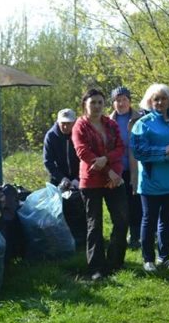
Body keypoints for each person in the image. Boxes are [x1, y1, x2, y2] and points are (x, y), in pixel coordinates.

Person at [73, 89, 129, 280]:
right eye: (92, 103)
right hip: (91, 182)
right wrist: (108, 169)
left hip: (114, 179)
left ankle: (115, 262)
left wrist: (110, 165)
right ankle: (96, 267)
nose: (96, 106)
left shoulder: (110, 124)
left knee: (122, 219)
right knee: (94, 224)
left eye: (99, 102)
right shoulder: (80, 126)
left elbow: (120, 148)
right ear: (85, 105)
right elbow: (84, 153)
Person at [130, 84, 169, 272]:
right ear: (149, 102)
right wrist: (163, 151)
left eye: (163, 98)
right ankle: (148, 259)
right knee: (149, 220)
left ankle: (165, 257)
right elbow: (139, 151)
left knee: (167, 221)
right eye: (156, 99)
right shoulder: (143, 123)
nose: (160, 102)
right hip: (151, 182)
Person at [43, 108, 85, 241]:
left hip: (79, 176)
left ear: (75, 122)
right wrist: (62, 178)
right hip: (58, 177)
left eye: (69, 123)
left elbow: (85, 158)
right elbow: (48, 161)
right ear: (58, 122)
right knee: (59, 208)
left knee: (82, 206)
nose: (66, 126)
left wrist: (78, 179)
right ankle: (62, 237)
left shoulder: (80, 134)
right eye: (63, 123)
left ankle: (82, 236)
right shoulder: (51, 136)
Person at [109, 86, 143, 248]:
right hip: (116, 170)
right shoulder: (108, 121)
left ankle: (135, 235)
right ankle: (121, 234)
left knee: (135, 203)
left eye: (124, 100)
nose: (121, 103)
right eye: (117, 100)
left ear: (129, 101)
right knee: (120, 204)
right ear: (113, 103)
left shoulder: (140, 118)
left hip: (136, 169)